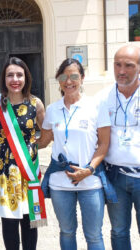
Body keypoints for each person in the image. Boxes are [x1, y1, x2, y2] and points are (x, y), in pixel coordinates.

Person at [38, 58, 114, 250]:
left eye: (74, 76)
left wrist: (88, 169)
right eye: (63, 76)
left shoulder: (96, 106)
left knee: (94, 235)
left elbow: (104, 144)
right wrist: (14, 142)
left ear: (82, 78)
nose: (68, 81)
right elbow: (44, 141)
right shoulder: (52, 109)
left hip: (90, 180)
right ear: (59, 80)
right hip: (60, 183)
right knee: (66, 232)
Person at [0, 57, 46, 250]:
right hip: (3, 171)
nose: (15, 79)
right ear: (3, 79)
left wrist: (32, 148)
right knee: (9, 222)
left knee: (30, 220)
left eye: (19, 75)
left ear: (26, 78)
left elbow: (46, 135)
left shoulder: (36, 104)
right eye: (10, 75)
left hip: (27, 170)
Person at [99, 45, 140, 250]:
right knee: (119, 231)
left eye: (129, 65)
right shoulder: (103, 98)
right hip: (115, 177)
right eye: (117, 64)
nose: (121, 70)